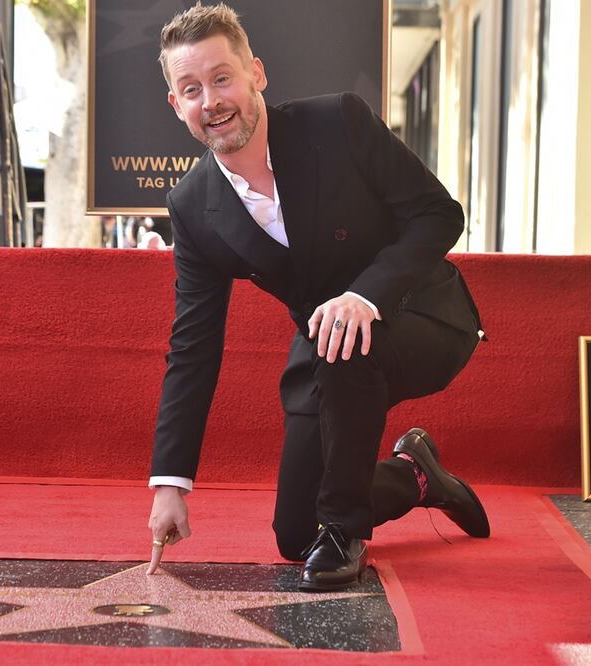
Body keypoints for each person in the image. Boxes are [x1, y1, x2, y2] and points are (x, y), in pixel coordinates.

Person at [147, 3, 490, 591]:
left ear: (257, 73)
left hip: (424, 318)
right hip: (327, 350)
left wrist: (366, 294)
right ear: (177, 105)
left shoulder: (337, 123)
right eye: (192, 89)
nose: (212, 101)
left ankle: (348, 531)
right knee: (295, 532)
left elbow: (439, 215)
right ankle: (417, 477)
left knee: (334, 504)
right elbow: (193, 347)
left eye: (222, 77)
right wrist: (170, 484)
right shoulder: (192, 208)